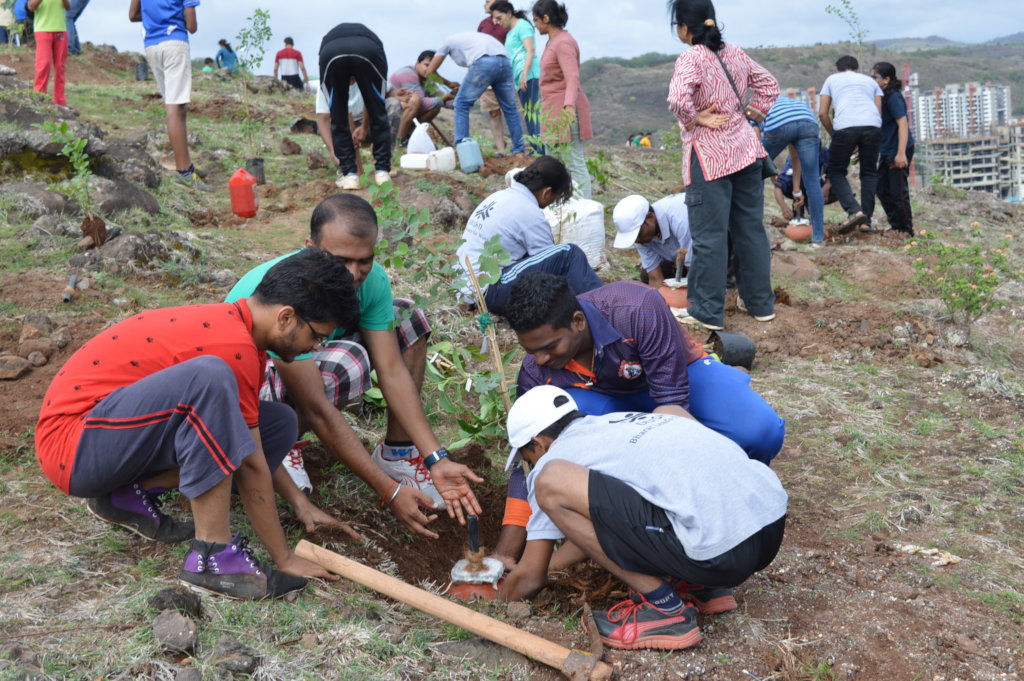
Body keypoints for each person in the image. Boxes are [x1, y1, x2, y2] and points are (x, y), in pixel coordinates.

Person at [35, 249, 362, 599]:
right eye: (316, 336)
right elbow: (251, 464)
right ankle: (212, 556)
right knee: (209, 377)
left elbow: (251, 444)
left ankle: (127, 494)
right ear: (285, 317)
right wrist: (284, 557)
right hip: (73, 447)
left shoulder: (242, 335)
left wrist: (299, 502)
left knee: (278, 423)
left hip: (105, 437)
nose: (313, 348)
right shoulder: (232, 347)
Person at [227, 194, 482, 539]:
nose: (354, 273)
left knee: (407, 316)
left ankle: (397, 452)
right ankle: (284, 446)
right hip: (250, 385)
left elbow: (391, 370)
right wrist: (388, 491)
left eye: (365, 260)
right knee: (343, 364)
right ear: (310, 248)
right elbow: (316, 405)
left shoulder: (371, 279)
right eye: (342, 260)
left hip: (314, 352)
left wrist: (436, 458)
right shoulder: (287, 294)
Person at [492, 272, 786, 571]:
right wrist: (507, 549)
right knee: (562, 431)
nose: (540, 359)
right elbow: (529, 454)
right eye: (531, 351)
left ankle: (736, 504)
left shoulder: (636, 307)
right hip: (606, 401)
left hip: (677, 381)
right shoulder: (535, 373)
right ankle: (653, 526)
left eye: (550, 347)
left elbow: (673, 416)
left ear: (578, 322)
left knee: (758, 430)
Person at [497, 385, 788, 651]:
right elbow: (596, 529)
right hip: (768, 528)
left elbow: (530, 579)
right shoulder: (614, 425)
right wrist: (553, 566)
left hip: (721, 556)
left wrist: (495, 599)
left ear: (538, 443)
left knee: (551, 480)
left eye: (526, 456)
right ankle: (701, 587)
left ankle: (663, 609)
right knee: (669, 411)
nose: (531, 463)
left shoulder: (551, 462)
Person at [666, 0, 779, 331]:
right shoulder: (735, 52)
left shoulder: (692, 57)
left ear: (685, 28)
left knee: (709, 236)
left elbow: (676, 99)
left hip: (710, 156)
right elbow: (770, 85)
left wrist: (693, 118)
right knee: (750, 230)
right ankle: (761, 305)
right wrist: (750, 115)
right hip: (746, 152)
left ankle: (707, 311)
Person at [453, 156, 602, 316]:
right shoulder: (528, 212)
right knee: (568, 254)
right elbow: (552, 266)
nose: (552, 203)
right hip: (488, 291)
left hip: (465, 285)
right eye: (555, 197)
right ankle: (604, 305)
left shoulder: (499, 197)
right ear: (547, 192)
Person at [129, 0, 211, 191]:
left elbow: (133, 15)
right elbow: (192, 26)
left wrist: (155, 18)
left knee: (175, 106)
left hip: (152, 45)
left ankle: (187, 165)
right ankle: (184, 170)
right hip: (174, 43)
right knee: (176, 107)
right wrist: (172, 17)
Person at [421, 31, 525, 156]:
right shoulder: (472, 40)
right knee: (510, 108)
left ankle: (461, 148)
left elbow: (429, 72)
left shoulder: (447, 43)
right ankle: (519, 150)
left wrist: (448, 84)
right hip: (504, 62)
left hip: (484, 62)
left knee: (461, 104)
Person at [319, 23, 393, 190]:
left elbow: (331, 118)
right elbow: (374, 105)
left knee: (337, 115)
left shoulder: (329, 40)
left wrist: (364, 127)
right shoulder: (372, 40)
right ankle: (382, 172)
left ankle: (350, 175)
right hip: (368, 50)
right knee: (378, 110)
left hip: (331, 53)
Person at [531, 0, 593, 198]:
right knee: (555, 162)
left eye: (536, 20)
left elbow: (572, 76)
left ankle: (585, 208)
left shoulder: (563, 42)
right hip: (553, 109)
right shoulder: (554, 41)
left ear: (546, 19)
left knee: (573, 162)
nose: (535, 25)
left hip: (565, 108)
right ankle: (563, 206)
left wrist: (568, 107)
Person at [818, 55, 882, 234]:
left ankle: (854, 211)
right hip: (873, 126)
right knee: (869, 173)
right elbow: (878, 111)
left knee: (835, 171)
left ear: (837, 69)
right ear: (857, 68)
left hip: (845, 127)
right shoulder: (870, 82)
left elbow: (823, 113)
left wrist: (835, 135)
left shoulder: (832, 79)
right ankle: (866, 222)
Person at [760, 95, 827, 246]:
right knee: (812, 180)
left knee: (754, 173)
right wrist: (797, 191)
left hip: (779, 124)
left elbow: (756, 143)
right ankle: (818, 238)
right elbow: (795, 157)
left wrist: (767, 168)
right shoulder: (795, 104)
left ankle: (754, 229)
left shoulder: (759, 103)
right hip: (808, 123)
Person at [316, 76, 402, 166]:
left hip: (369, 119)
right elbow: (323, 119)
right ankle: (343, 158)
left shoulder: (370, 73)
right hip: (343, 124)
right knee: (326, 128)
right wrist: (332, 151)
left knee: (393, 104)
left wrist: (365, 126)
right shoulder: (326, 83)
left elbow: (383, 94)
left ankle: (385, 157)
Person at [490, 1, 541, 153]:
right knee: (528, 114)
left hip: (529, 75)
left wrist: (524, 75)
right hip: (519, 78)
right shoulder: (511, 32)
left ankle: (539, 150)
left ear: (509, 12)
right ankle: (536, 148)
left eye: (499, 18)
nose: (497, 22)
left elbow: (530, 51)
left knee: (532, 114)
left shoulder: (523, 26)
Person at [612, 193, 692, 289]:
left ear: (650, 217)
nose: (636, 240)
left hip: (708, 255)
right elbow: (655, 278)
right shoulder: (640, 238)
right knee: (646, 275)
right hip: (683, 261)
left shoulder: (680, 219)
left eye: (638, 234)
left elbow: (696, 270)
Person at [871, 61, 914, 236]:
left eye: (876, 77)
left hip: (898, 149)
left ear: (887, 79)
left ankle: (905, 230)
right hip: (887, 149)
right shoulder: (881, 96)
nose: (872, 79)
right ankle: (896, 225)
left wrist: (901, 153)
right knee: (881, 188)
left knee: (898, 192)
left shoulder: (894, 97)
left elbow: (903, 124)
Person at [388, 51, 456, 146]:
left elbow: (439, 97)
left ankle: (410, 135)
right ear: (417, 63)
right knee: (416, 101)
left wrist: (457, 101)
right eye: (426, 65)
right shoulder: (407, 73)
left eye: (433, 67)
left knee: (435, 108)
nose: (429, 70)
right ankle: (399, 140)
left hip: (404, 113)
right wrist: (444, 99)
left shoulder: (427, 80)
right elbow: (421, 102)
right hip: (391, 112)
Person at [477, 0, 509, 156]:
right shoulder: (483, 24)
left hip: (506, 73)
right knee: (493, 112)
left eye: (488, 1)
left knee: (512, 111)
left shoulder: (510, 23)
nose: (485, 4)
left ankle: (519, 145)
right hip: (486, 75)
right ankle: (501, 149)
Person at [772, 145, 833, 223]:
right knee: (800, 182)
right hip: (796, 187)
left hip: (817, 187)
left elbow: (833, 172)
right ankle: (799, 213)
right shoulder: (794, 162)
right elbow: (778, 185)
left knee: (837, 185)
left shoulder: (823, 151)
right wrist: (783, 207)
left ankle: (814, 210)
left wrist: (827, 186)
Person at [28, 0, 69, 106]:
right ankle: (39, 96)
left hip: (60, 30)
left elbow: (68, 7)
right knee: (43, 64)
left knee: (60, 66)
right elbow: (31, 7)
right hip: (42, 30)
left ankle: (59, 100)